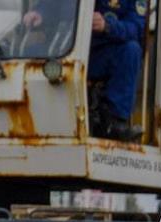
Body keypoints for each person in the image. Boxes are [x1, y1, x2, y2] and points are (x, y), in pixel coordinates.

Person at [24, 0, 145, 140]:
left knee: (131, 50)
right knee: (22, 54)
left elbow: (137, 28)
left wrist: (108, 26)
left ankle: (113, 122)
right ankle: (28, 114)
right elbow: (56, 4)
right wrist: (40, 13)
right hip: (65, 49)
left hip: (103, 53)